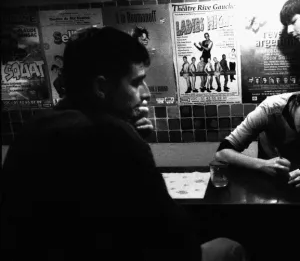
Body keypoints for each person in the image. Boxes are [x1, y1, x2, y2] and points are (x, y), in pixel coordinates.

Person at [1, 27, 248, 261]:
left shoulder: (34, 127)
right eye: (135, 82)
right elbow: (176, 238)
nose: (146, 93)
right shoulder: (112, 134)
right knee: (228, 246)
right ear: (100, 87)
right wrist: (132, 140)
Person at [215, 92, 300, 188]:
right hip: (270, 178)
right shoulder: (268, 109)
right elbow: (222, 153)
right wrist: (262, 164)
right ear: (297, 102)